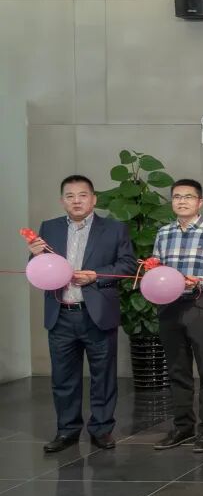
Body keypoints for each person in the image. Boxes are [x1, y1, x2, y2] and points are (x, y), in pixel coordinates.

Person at [32, 175, 136, 453]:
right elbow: (38, 269)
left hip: (97, 314)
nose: (76, 201)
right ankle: (66, 431)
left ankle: (101, 429)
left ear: (93, 199)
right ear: (62, 200)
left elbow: (127, 265)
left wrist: (96, 276)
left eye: (82, 195)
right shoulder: (49, 228)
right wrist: (35, 255)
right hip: (60, 314)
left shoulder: (114, 229)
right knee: (63, 379)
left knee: (103, 376)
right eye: (70, 196)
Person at [152, 179, 203, 453]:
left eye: (188, 197)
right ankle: (183, 426)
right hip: (169, 306)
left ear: (200, 202)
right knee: (176, 368)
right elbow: (156, 269)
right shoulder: (163, 233)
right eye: (177, 197)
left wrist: (199, 282)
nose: (182, 201)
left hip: (199, 304)